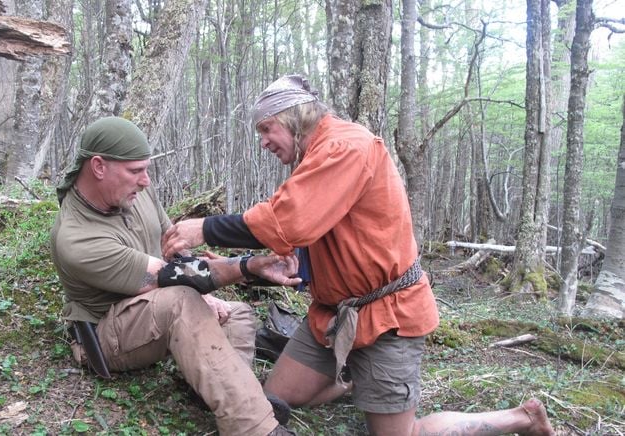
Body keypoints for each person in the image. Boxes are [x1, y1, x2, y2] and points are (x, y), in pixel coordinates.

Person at [161, 75, 555, 436]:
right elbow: (320, 223)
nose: (263, 141)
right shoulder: (314, 153)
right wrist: (296, 257)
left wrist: (204, 228)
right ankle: (350, 377)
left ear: (294, 119)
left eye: (267, 129)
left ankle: (520, 417)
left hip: (388, 317)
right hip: (332, 316)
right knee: (274, 398)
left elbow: (290, 218)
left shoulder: (346, 146)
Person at [50, 116, 301, 436]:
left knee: (234, 314)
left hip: (152, 306)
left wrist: (207, 294)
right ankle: (255, 427)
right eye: (135, 171)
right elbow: (169, 276)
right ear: (99, 167)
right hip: (106, 332)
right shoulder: (76, 238)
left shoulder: (135, 193)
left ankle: (226, 394)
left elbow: (174, 249)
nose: (145, 181)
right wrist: (247, 266)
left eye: (145, 169)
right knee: (183, 301)